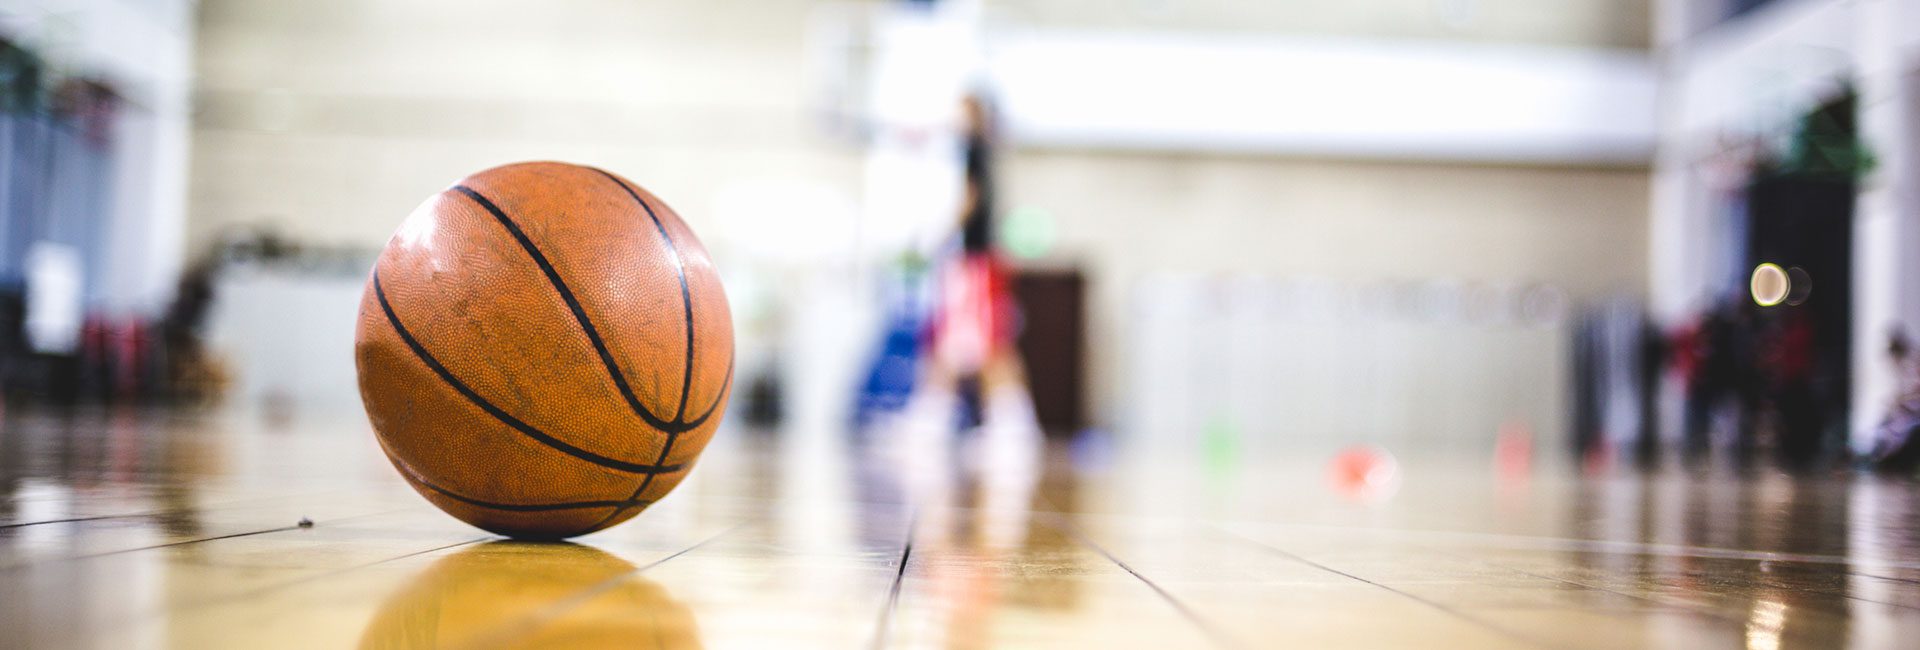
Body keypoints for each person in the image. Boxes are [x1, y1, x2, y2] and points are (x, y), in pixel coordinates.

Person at [891, 93, 1042, 472]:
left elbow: (971, 199)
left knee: (980, 342)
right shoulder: (977, 148)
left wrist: (938, 236)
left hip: (974, 263)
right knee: (959, 340)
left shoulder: (975, 148)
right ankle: (950, 420)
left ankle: (1002, 425)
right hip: (975, 261)